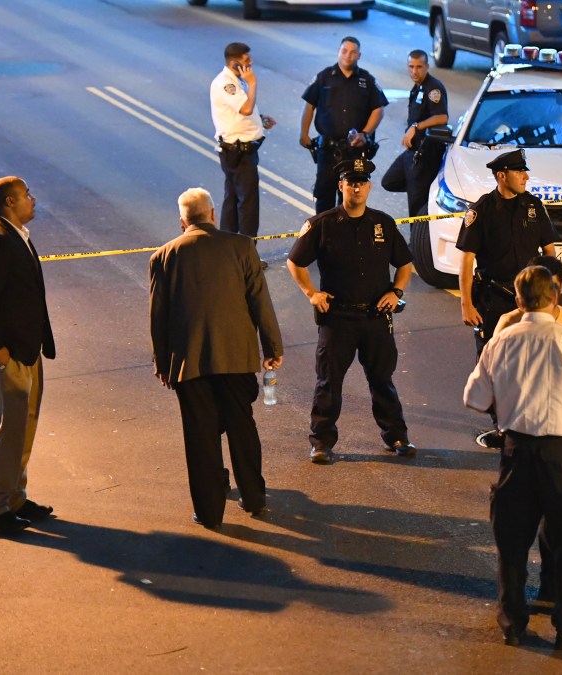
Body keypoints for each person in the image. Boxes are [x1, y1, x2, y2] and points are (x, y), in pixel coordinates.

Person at [464, 265, 562, 649]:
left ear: (518, 299)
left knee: (511, 542)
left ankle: (513, 623)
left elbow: (474, 399)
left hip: (515, 452)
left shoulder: (501, 340)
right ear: (555, 296)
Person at [150, 188, 283, 529]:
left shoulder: (164, 257)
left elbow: (159, 316)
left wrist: (162, 363)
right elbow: (259, 301)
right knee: (242, 427)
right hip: (236, 358)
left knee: (200, 437)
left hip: (188, 363)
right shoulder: (241, 246)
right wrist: (272, 347)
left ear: (182, 222)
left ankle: (209, 512)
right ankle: (254, 499)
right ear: (212, 215)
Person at [287, 158, 414, 464]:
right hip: (338, 319)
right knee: (329, 382)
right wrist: (311, 294)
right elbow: (295, 262)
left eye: (362, 183)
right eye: (351, 182)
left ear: (369, 187)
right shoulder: (323, 224)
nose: (356, 188)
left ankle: (396, 437)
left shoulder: (383, 224)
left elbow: (405, 265)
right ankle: (321, 442)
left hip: (375, 318)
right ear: (341, 186)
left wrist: (396, 292)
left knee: (382, 380)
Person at [493, 254, 562, 603]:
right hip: (533, 440)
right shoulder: (508, 325)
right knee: (530, 525)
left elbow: (477, 391)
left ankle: (545, 595)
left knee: (555, 529)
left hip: (558, 437)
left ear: (557, 290)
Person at [0, 176, 56, 533]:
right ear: (9, 202)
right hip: (6, 352)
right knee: (9, 429)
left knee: (25, 425)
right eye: (26, 195)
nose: (32, 199)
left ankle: (15, 497)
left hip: (25, 348)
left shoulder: (17, 235)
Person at [457, 148, 559, 447]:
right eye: (519, 172)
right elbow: (466, 261)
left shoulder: (532, 205)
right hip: (495, 298)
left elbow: (549, 251)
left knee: (535, 360)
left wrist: (552, 291)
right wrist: (466, 303)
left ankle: (531, 420)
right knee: (494, 362)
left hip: (531, 299)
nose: (526, 176)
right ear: (502, 176)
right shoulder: (482, 210)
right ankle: (503, 425)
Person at [299, 36, 388, 214]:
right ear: (338, 52)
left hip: (354, 151)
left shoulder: (367, 80)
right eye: (344, 51)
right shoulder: (324, 77)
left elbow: (378, 109)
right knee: (324, 199)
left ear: (359, 55)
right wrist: (304, 133)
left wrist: (365, 134)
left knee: (352, 199)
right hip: (328, 150)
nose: (348, 55)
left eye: (353, 52)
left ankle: (348, 239)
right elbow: (309, 104)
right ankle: (323, 239)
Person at [210, 42, 276, 241]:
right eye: (246, 60)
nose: (251, 62)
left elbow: (240, 113)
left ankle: (228, 249)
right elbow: (246, 108)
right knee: (247, 205)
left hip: (236, 151)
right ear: (233, 63)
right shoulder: (226, 84)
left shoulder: (235, 81)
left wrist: (261, 119)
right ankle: (247, 255)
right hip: (239, 153)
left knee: (233, 201)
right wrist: (253, 83)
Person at [380, 49, 449, 217]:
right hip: (411, 153)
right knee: (389, 181)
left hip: (423, 155)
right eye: (411, 66)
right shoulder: (417, 87)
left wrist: (416, 127)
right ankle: (421, 190)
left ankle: (417, 241)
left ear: (427, 66)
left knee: (416, 209)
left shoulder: (433, 88)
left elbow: (442, 117)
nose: (414, 71)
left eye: (419, 67)